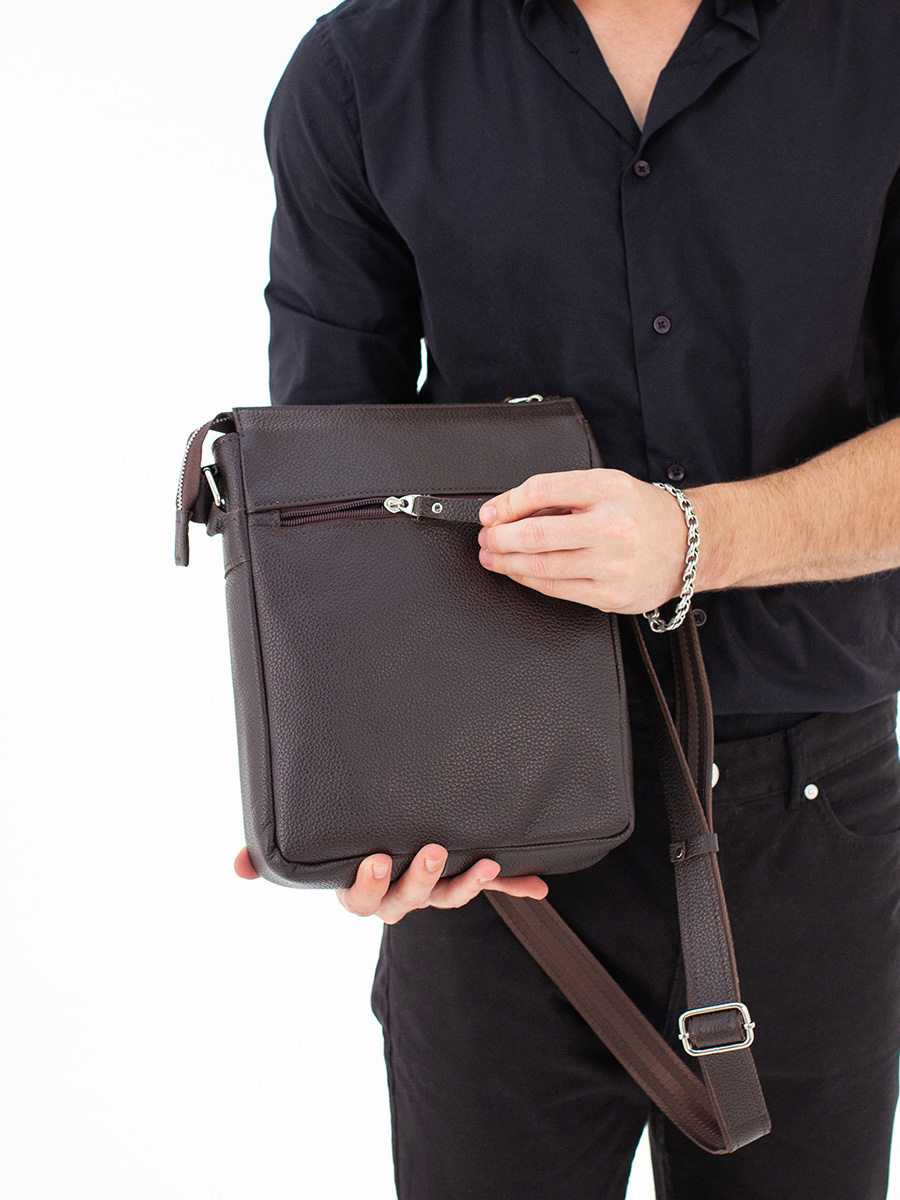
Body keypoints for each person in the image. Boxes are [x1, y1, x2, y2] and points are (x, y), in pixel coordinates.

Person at [234, 0, 900, 1195]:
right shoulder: (366, 68)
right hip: (487, 852)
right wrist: (345, 779)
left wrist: (695, 538)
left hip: (811, 824)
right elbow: (331, 495)